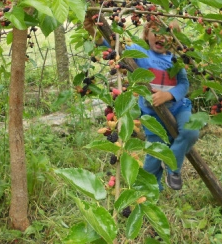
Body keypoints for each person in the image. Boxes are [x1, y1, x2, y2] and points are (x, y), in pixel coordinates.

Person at [84, 16, 199, 191]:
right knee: (154, 154)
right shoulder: (140, 51)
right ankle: (147, 193)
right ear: (146, 34)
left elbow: (184, 84)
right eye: (157, 32)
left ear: (176, 41)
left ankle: (172, 167)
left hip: (179, 108)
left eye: (169, 34)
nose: (162, 37)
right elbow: (114, 48)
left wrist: (168, 95)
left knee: (190, 133)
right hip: (153, 115)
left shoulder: (176, 61)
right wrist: (94, 32)